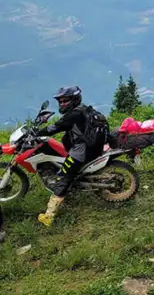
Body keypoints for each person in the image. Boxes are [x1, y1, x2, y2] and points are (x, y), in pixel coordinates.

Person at [37, 86, 106, 226]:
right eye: (60, 101)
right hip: (89, 147)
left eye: (65, 101)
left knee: (62, 176)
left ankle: (49, 216)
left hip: (82, 150)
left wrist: (36, 133)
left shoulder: (73, 115)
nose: (62, 104)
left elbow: (54, 128)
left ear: (74, 100)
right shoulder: (82, 109)